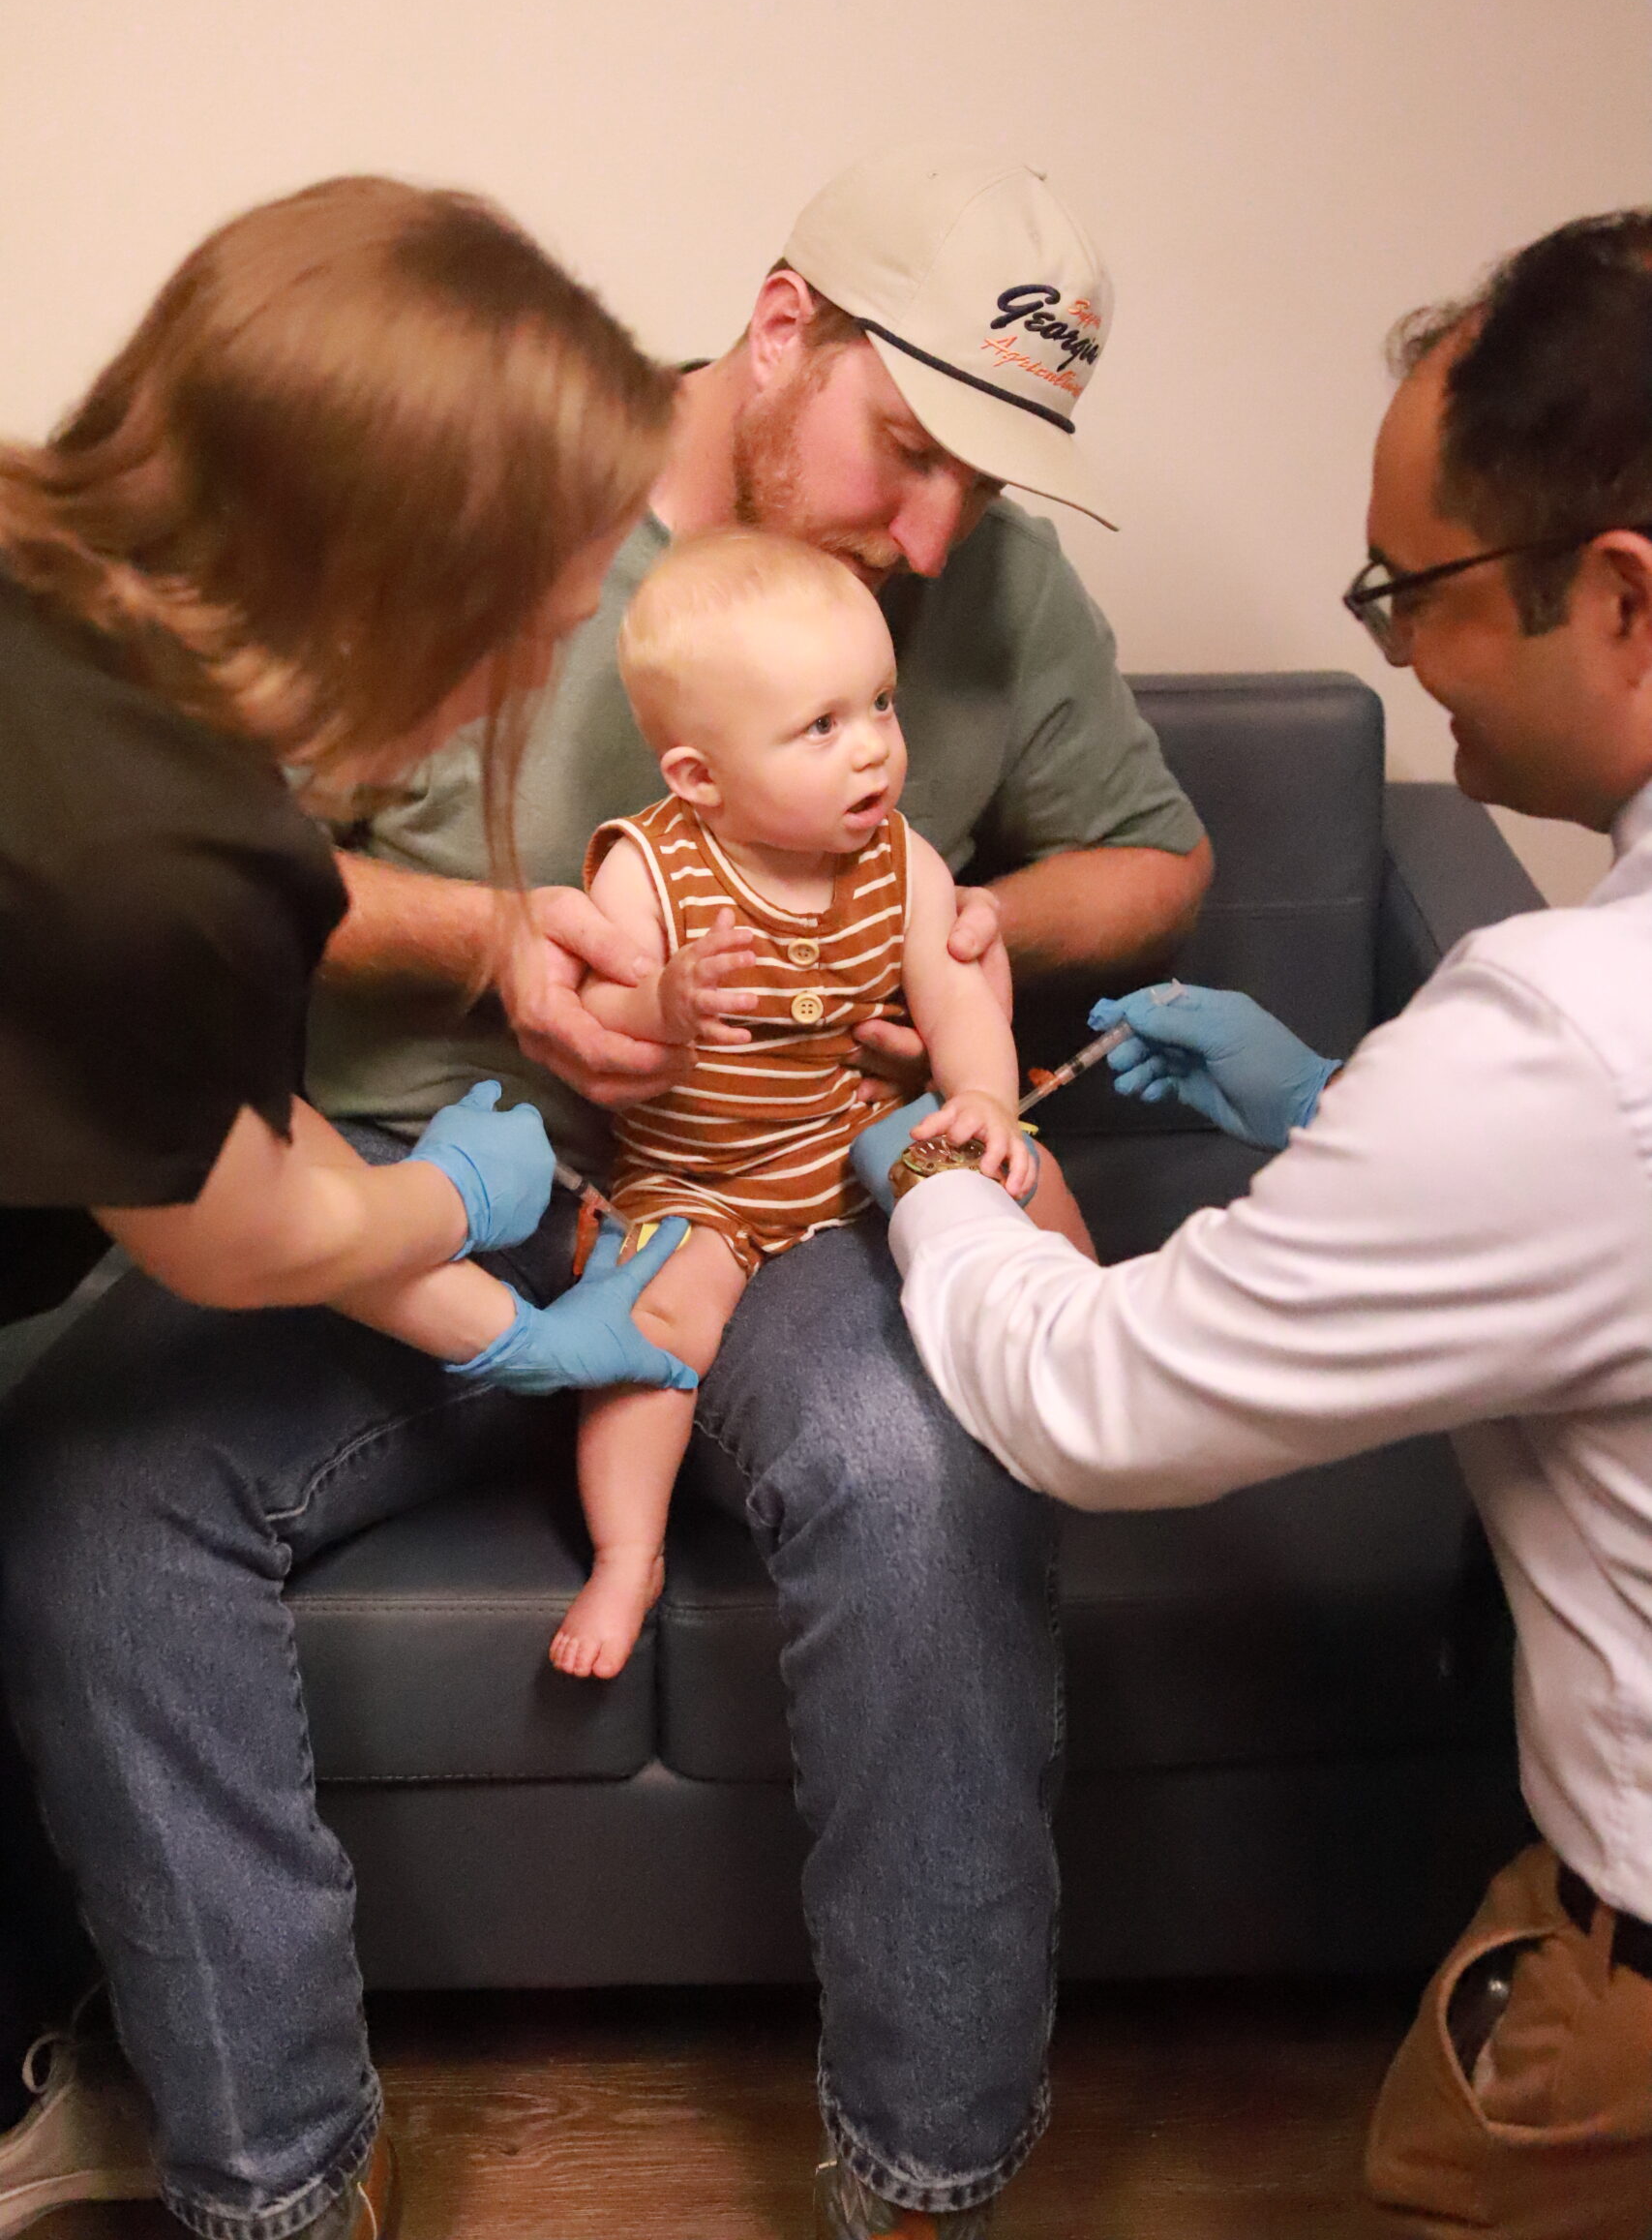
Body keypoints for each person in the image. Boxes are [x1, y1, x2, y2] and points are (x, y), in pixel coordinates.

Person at [0, 148, 1209, 2240]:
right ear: (779, 333)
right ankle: (277, 2178)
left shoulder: (978, 577)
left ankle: (925, 2176)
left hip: (777, 1199)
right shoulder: (391, 573)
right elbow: (234, 1049)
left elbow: (1154, 859)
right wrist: (495, 952)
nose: (935, 535)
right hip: (404, 1163)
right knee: (94, 1507)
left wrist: (932, 946)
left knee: (923, 1476)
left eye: (983, 490)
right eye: (910, 449)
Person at [856, 207, 1652, 2240]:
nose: (1391, 649)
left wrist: (945, 1164)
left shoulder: (1570, 1039)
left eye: (1412, 588)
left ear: (1621, 597)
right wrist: (1336, 1105)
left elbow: (1099, 1402)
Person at [0, 171, 705, 2236]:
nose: (576, 628)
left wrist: (496, 1294)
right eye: (558, 590)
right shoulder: (153, 843)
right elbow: (250, 1233)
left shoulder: (74, 620)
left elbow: (235, 1125)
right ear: (403, 566)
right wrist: (462, 1189)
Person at [556, 528, 1094, 1678]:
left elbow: (954, 994)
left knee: (1013, 1182)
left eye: (884, 706)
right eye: (823, 727)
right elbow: (604, 1007)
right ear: (697, 777)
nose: (875, 756)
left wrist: (987, 1096)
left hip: (847, 1145)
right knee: (650, 1326)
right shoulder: (649, 867)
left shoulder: (902, 861)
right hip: (697, 1177)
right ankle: (625, 1552)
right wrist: (668, 994)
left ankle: (1098, 1365)